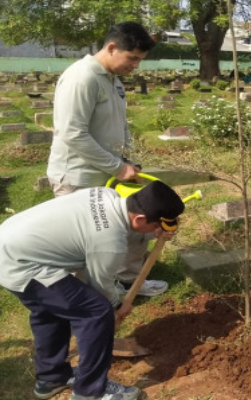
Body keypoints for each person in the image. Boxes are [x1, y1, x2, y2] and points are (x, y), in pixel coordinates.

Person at [0, 181, 185, 400]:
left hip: (9, 243)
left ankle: (52, 378)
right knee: (97, 312)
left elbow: (122, 232)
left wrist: (155, 233)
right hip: (21, 264)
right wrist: (118, 304)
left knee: (50, 311)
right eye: (156, 226)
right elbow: (99, 287)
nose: (156, 232)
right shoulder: (109, 242)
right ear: (141, 218)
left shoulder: (106, 194)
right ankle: (90, 392)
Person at [47, 22, 167, 297]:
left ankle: (127, 280)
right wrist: (117, 166)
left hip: (110, 173)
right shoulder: (82, 78)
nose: (136, 65)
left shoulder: (112, 78)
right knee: (85, 243)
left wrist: (130, 161)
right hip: (79, 176)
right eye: (133, 58)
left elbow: (120, 124)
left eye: (140, 60)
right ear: (112, 48)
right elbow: (72, 134)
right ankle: (84, 300)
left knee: (130, 227)